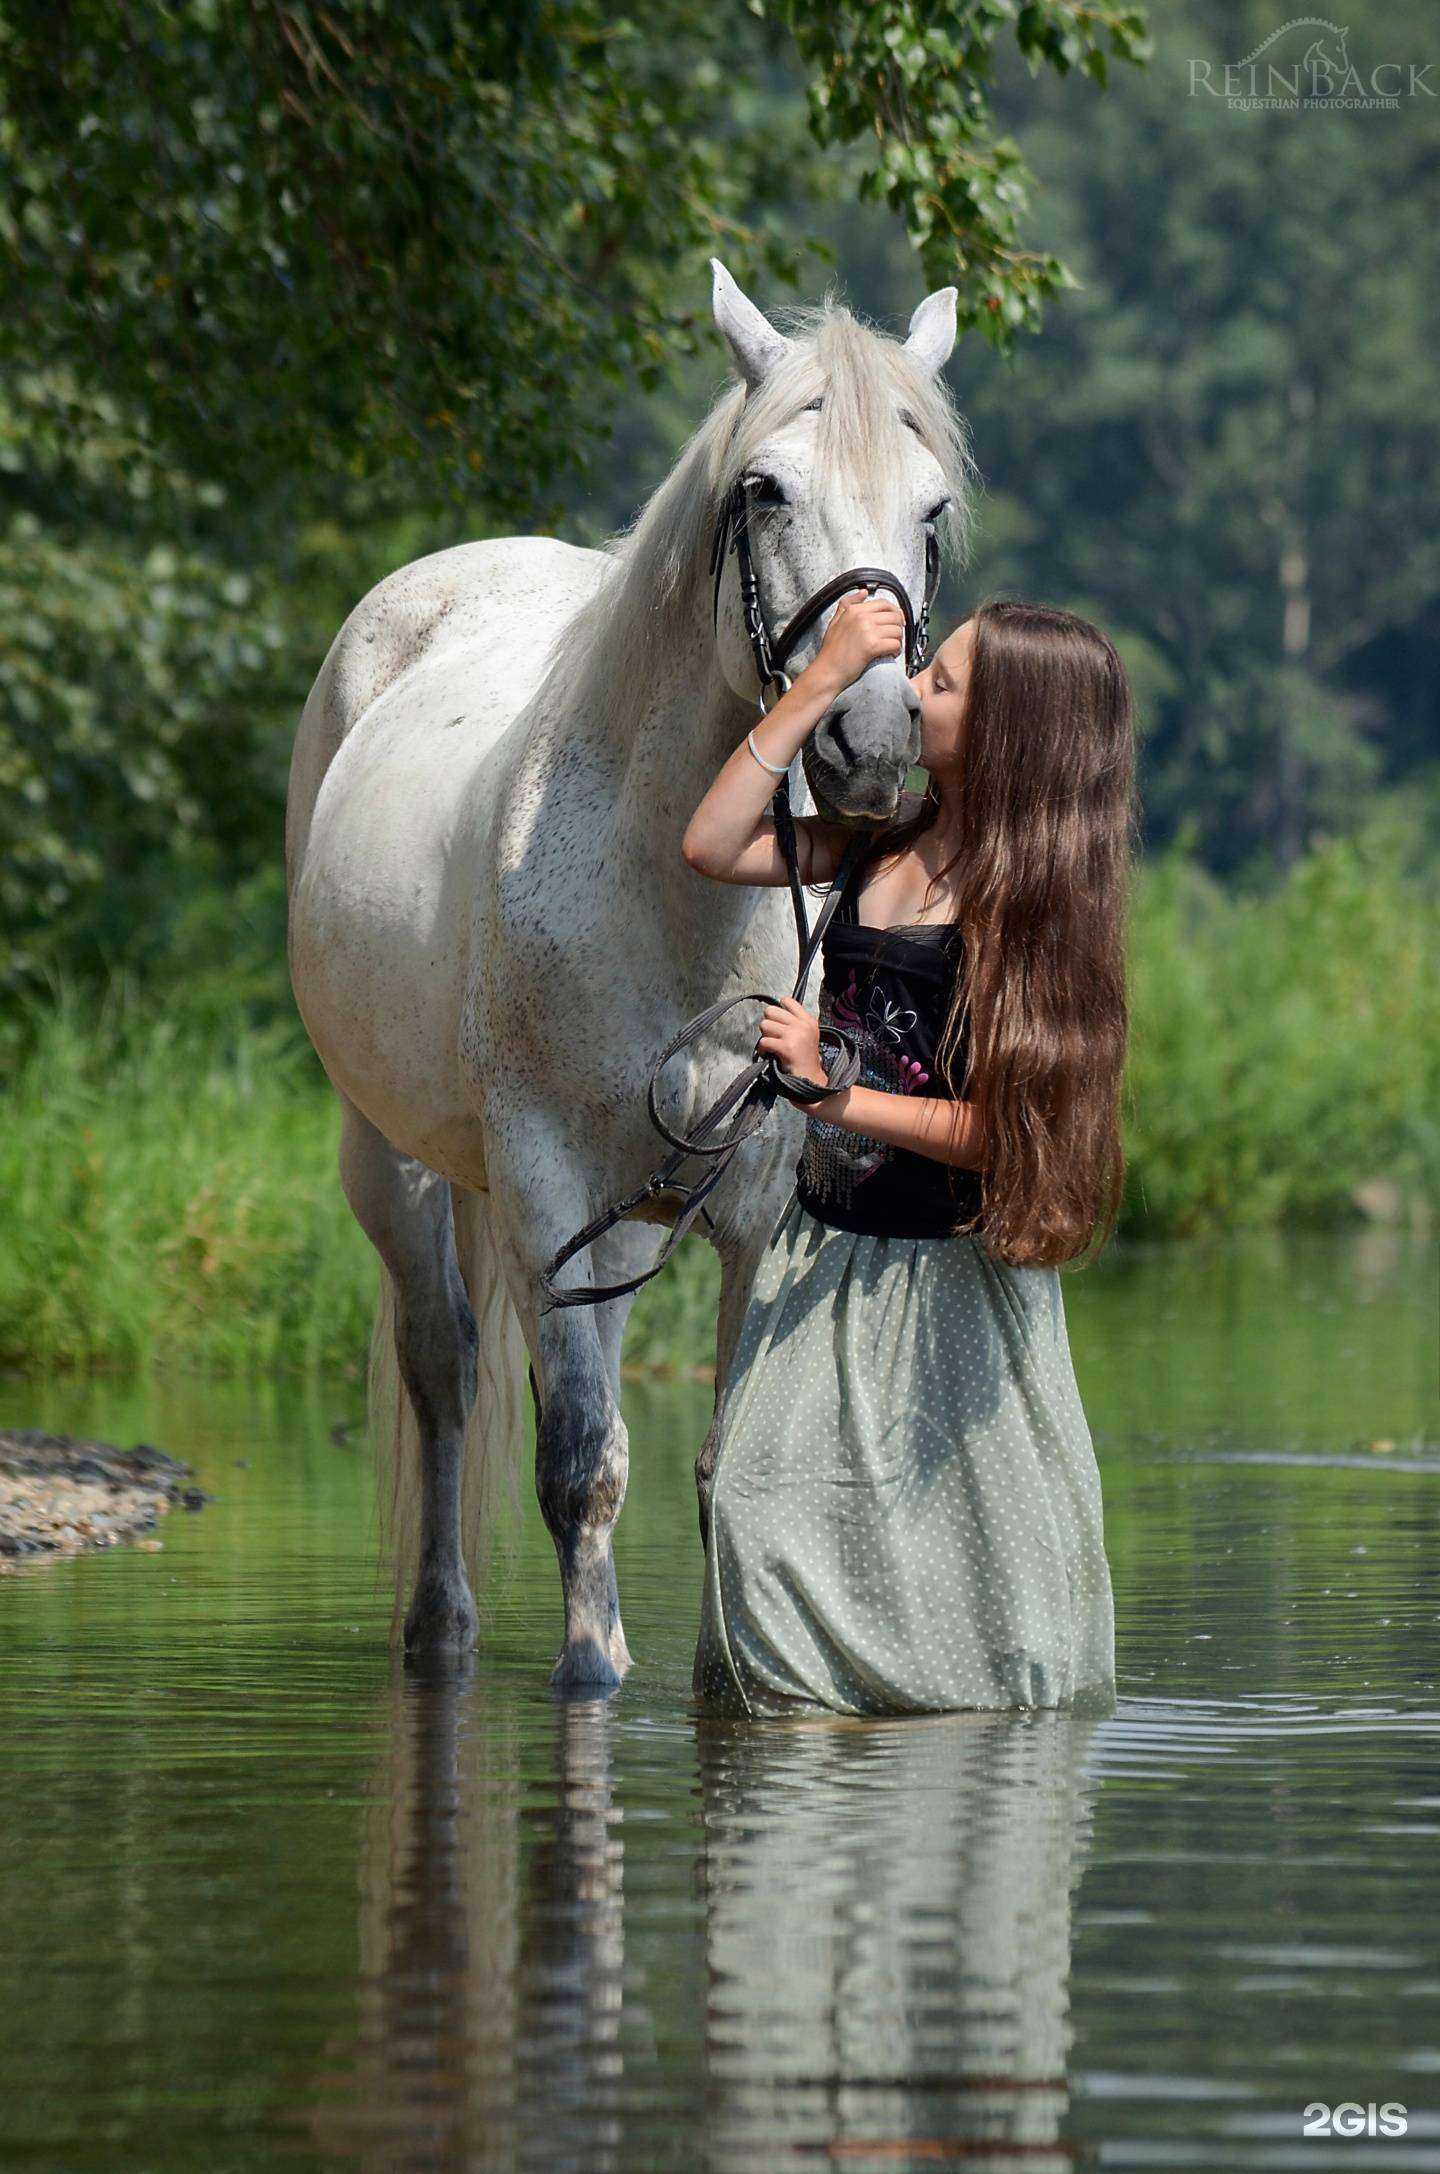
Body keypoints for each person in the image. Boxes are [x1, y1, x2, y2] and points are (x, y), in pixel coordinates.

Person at [681, 591, 1135, 1718]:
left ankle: (939, 1807)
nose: (916, 688)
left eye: (943, 683)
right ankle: (800, 1779)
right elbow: (710, 839)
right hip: (823, 1259)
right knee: (751, 1508)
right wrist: (818, 682)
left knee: (980, 1590)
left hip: (954, 1283)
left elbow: (1004, 1133)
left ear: (1006, 732)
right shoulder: (876, 842)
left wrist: (840, 1092)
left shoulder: (1030, 908)